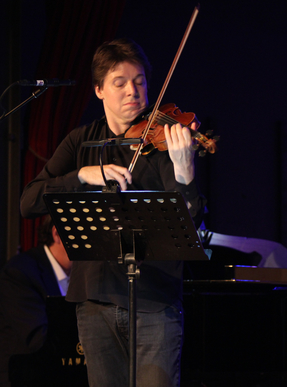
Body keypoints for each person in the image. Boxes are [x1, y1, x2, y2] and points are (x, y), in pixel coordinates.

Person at [20, 38, 206, 387]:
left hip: (155, 303)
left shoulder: (165, 141)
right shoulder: (81, 142)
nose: (132, 92)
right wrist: (80, 176)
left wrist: (184, 173)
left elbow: (191, 224)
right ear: (99, 90)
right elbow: (28, 202)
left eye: (139, 81)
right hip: (94, 302)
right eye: (119, 83)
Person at [0, 215, 71, 386]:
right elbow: (38, 340)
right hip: (26, 378)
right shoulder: (20, 272)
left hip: (65, 374)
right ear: (57, 234)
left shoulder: (85, 278)